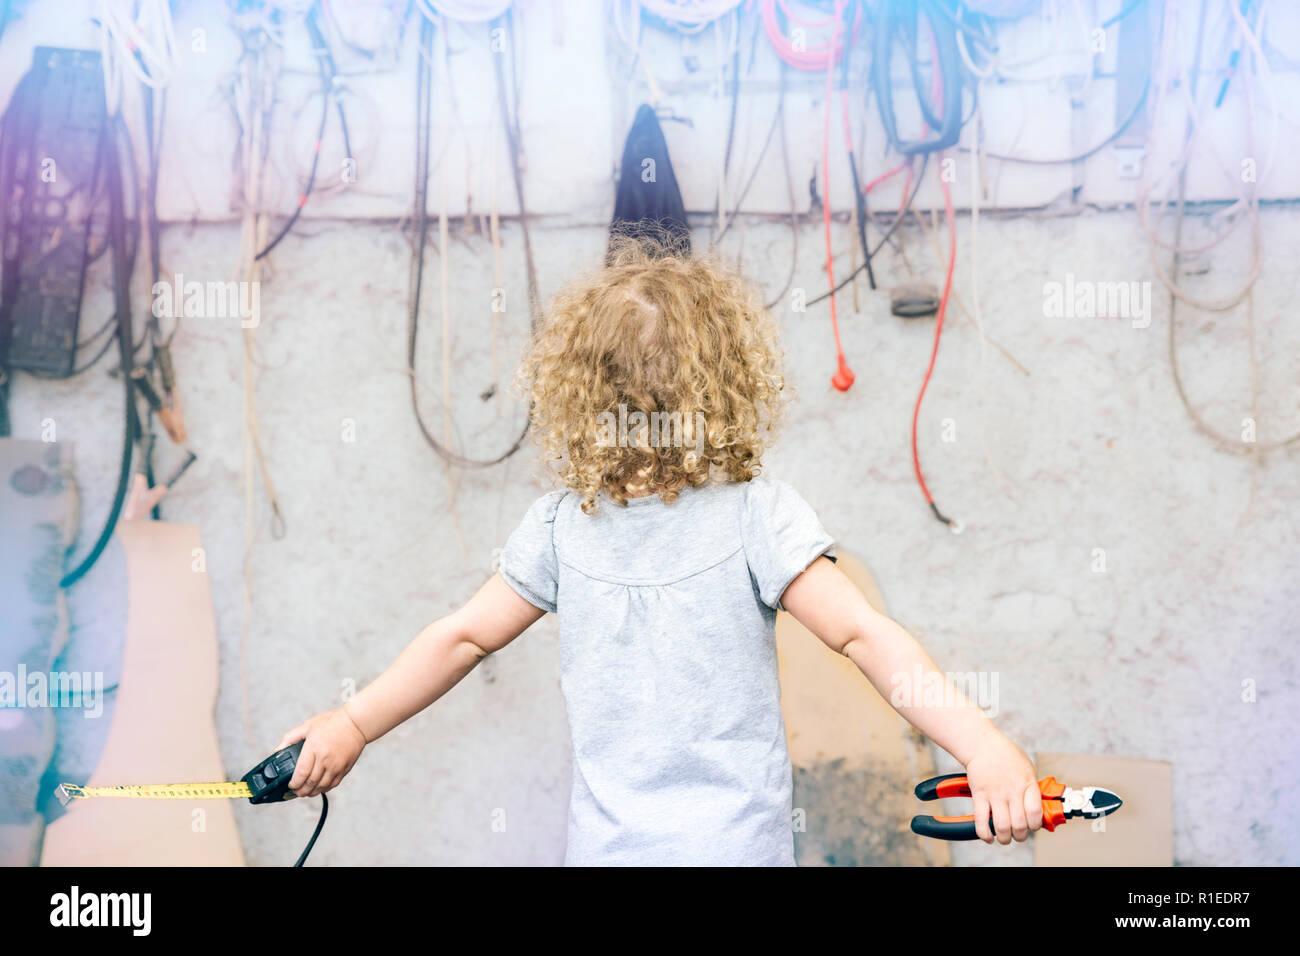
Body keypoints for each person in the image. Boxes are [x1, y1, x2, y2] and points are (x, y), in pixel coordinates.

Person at [279, 237, 1043, 865]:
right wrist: (983, 744)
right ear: (728, 387)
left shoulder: (559, 527)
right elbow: (864, 634)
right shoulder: (756, 517)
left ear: (575, 396)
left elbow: (462, 637)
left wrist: (352, 722)